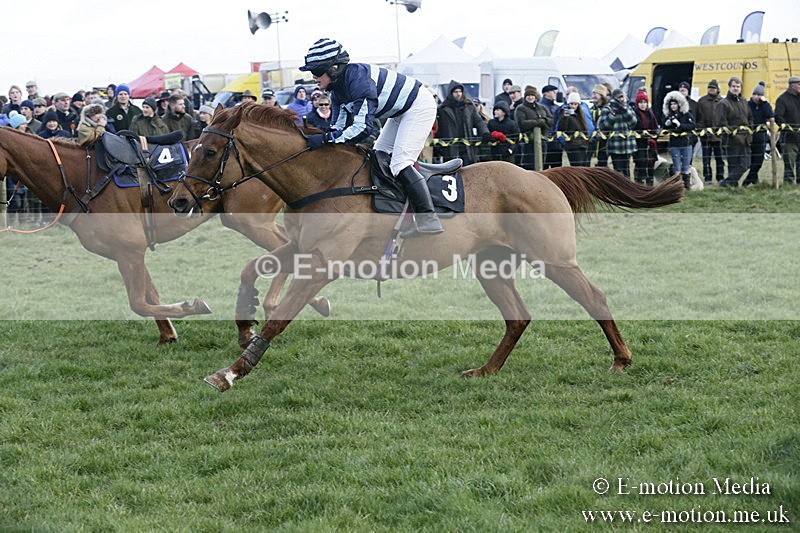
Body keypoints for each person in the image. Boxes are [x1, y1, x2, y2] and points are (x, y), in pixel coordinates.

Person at [299, 37, 443, 236]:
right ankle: (397, 210)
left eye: (316, 72)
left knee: (400, 163)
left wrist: (326, 140)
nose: (314, 78)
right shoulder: (337, 89)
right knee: (379, 156)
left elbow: (363, 129)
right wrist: (323, 139)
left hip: (418, 106)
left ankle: (428, 218)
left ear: (333, 69)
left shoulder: (358, 82)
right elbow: (338, 127)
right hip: (399, 112)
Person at [434, 80, 489, 166]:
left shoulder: (469, 106)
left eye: (460, 91)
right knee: (452, 172)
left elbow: (478, 122)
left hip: (467, 147)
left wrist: (485, 133)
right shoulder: (442, 109)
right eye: (456, 92)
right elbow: (438, 128)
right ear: (451, 93)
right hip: (450, 148)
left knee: (468, 171)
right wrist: (439, 147)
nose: (458, 94)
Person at [716, 76, 753, 187]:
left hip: (745, 139)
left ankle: (725, 183)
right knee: (733, 164)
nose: (736, 88)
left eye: (738, 86)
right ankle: (732, 186)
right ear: (729, 87)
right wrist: (734, 134)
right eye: (733, 86)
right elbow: (721, 123)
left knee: (746, 164)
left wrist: (749, 131)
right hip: (731, 140)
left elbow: (750, 117)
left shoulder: (744, 101)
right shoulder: (723, 103)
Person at [598, 89, 636, 177]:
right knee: (618, 170)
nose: (621, 99)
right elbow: (604, 126)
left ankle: (628, 188)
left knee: (626, 170)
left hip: (627, 144)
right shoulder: (607, 109)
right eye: (619, 97)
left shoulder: (628, 108)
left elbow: (633, 122)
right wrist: (613, 115)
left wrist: (625, 111)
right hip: (615, 145)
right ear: (614, 98)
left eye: (622, 97)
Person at [662, 91, 696, 189]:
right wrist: (667, 124)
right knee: (677, 166)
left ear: (679, 104)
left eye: (675, 104)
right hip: (674, 144)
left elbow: (692, 125)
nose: (673, 106)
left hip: (686, 143)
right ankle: (677, 186)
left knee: (686, 165)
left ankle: (686, 185)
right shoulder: (668, 116)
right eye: (671, 104)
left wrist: (680, 125)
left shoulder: (686, 114)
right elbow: (664, 127)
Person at [515, 85, 552, 170]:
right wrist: (537, 122)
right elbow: (522, 123)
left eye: (532, 95)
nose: (530, 97)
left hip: (542, 139)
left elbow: (551, 120)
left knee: (542, 163)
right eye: (528, 96)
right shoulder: (521, 108)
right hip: (528, 142)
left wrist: (544, 121)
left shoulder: (542, 107)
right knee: (529, 165)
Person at [744, 81, 774, 186]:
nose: (757, 97)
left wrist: (765, 103)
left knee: (758, 161)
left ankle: (747, 181)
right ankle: (752, 181)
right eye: (755, 94)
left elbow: (771, 116)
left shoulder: (764, 106)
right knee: (751, 161)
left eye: (760, 95)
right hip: (749, 136)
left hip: (761, 136)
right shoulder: (747, 105)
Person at [554, 91, 594, 167]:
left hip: (583, 144)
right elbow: (561, 128)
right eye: (571, 104)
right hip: (573, 145)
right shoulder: (565, 113)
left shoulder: (580, 114)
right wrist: (565, 117)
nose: (573, 106)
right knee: (577, 166)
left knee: (584, 165)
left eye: (575, 104)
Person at [696, 79, 725, 184]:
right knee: (706, 159)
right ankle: (707, 178)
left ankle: (720, 177)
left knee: (720, 158)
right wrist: (702, 130)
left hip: (719, 135)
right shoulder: (702, 101)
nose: (711, 90)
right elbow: (699, 117)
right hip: (706, 135)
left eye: (713, 88)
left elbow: (724, 118)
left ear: (717, 90)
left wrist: (721, 130)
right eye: (710, 88)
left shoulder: (722, 101)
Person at [774, 75, 800, 184]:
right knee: (789, 163)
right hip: (789, 138)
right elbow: (778, 117)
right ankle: (788, 184)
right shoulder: (782, 99)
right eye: (798, 84)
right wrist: (787, 127)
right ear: (792, 85)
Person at [632, 91, 659, 185]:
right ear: (637, 104)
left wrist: (654, 137)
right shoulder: (635, 114)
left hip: (651, 143)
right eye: (641, 102)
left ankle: (650, 182)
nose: (643, 105)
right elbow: (634, 129)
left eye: (644, 102)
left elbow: (655, 128)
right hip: (639, 144)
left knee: (651, 163)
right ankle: (640, 182)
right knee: (641, 163)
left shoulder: (650, 114)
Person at [539, 84, 562, 168]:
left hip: (556, 142)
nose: (555, 94)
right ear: (546, 93)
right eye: (553, 92)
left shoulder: (557, 107)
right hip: (545, 141)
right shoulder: (540, 107)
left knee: (557, 167)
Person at [590, 84, 610, 166]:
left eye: (596, 94)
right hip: (593, 140)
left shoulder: (607, 109)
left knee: (602, 162)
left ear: (601, 95)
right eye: (593, 93)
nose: (593, 96)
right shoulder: (592, 108)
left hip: (604, 141)